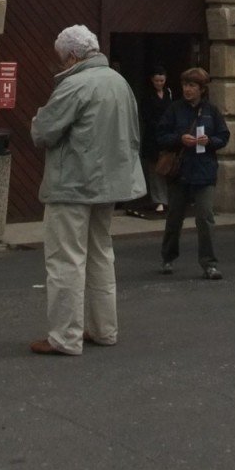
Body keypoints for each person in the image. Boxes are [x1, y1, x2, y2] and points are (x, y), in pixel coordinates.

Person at [28, 24, 145, 355]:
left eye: (62, 59)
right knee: (100, 255)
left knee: (66, 260)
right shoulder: (120, 84)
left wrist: (36, 120)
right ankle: (104, 329)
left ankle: (65, 337)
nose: (61, 65)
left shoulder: (75, 85)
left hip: (73, 185)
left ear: (73, 56)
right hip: (109, 185)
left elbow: (44, 132)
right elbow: (133, 135)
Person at [157, 67, 230, 280]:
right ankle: (167, 258)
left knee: (205, 218)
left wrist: (210, 142)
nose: (187, 90)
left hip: (204, 171)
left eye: (192, 86)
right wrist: (180, 138)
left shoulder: (212, 111)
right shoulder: (174, 109)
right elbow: (161, 135)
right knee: (174, 218)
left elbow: (224, 136)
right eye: (185, 85)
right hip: (179, 172)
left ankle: (209, 264)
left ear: (202, 89)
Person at [138, 66, 172, 215]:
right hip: (152, 136)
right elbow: (146, 116)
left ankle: (165, 199)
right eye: (157, 80)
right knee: (153, 169)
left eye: (162, 80)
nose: (159, 83)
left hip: (166, 136)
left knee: (166, 167)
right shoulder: (147, 95)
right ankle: (158, 200)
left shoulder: (169, 93)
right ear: (152, 80)